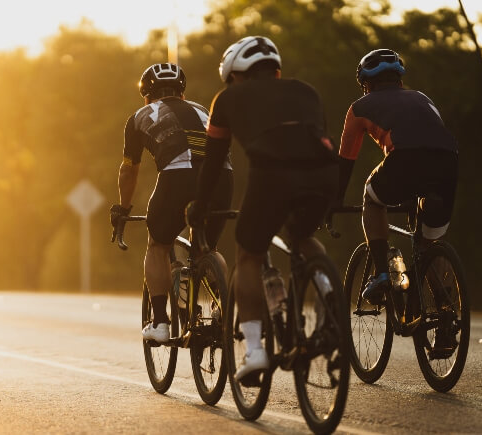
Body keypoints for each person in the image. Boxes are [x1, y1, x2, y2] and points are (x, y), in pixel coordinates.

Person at [186, 36, 338, 380]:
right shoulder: (307, 91)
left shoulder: (226, 98)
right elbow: (318, 138)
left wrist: (199, 207)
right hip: (325, 173)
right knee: (301, 236)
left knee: (249, 254)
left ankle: (254, 351)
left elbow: (212, 164)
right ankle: (330, 297)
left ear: (236, 73)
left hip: (272, 173)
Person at [110, 63, 233, 343]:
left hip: (178, 177)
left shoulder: (140, 115)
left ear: (146, 94)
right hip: (222, 177)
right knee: (206, 249)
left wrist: (123, 208)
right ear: (182, 92)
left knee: (158, 245)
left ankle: (161, 323)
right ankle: (223, 308)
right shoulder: (204, 110)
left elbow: (129, 170)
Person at [336, 49, 458, 317]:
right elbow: (433, 137)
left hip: (405, 158)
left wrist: (334, 202)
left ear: (366, 85)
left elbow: (346, 162)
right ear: (399, 80)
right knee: (428, 243)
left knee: (372, 194)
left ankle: (381, 273)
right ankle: (446, 312)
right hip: (448, 160)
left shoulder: (359, 108)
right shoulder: (422, 98)